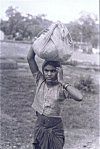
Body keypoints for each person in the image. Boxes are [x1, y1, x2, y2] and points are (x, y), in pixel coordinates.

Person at [27, 46, 83, 149]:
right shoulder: (40, 81)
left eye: (52, 71)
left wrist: (62, 82)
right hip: (40, 127)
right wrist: (35, 43)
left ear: (58, 72)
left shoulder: (61, 88)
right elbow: (30, 58)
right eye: (46, 70)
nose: (49, 74)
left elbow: (79, 97)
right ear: (43, 71)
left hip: (54, 130)